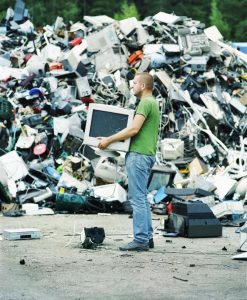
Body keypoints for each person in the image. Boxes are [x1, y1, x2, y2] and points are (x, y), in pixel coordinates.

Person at [98, 72, 160, 251]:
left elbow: (133, 129)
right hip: (146, 155)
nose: (131, 86)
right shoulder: (153, 102)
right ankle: (147, 237)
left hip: (139, 156)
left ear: (142, 86)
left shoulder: (145, 103)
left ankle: (140, 240)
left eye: (134, 83)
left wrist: (108, 140)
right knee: (142, 198)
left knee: (137, 198)